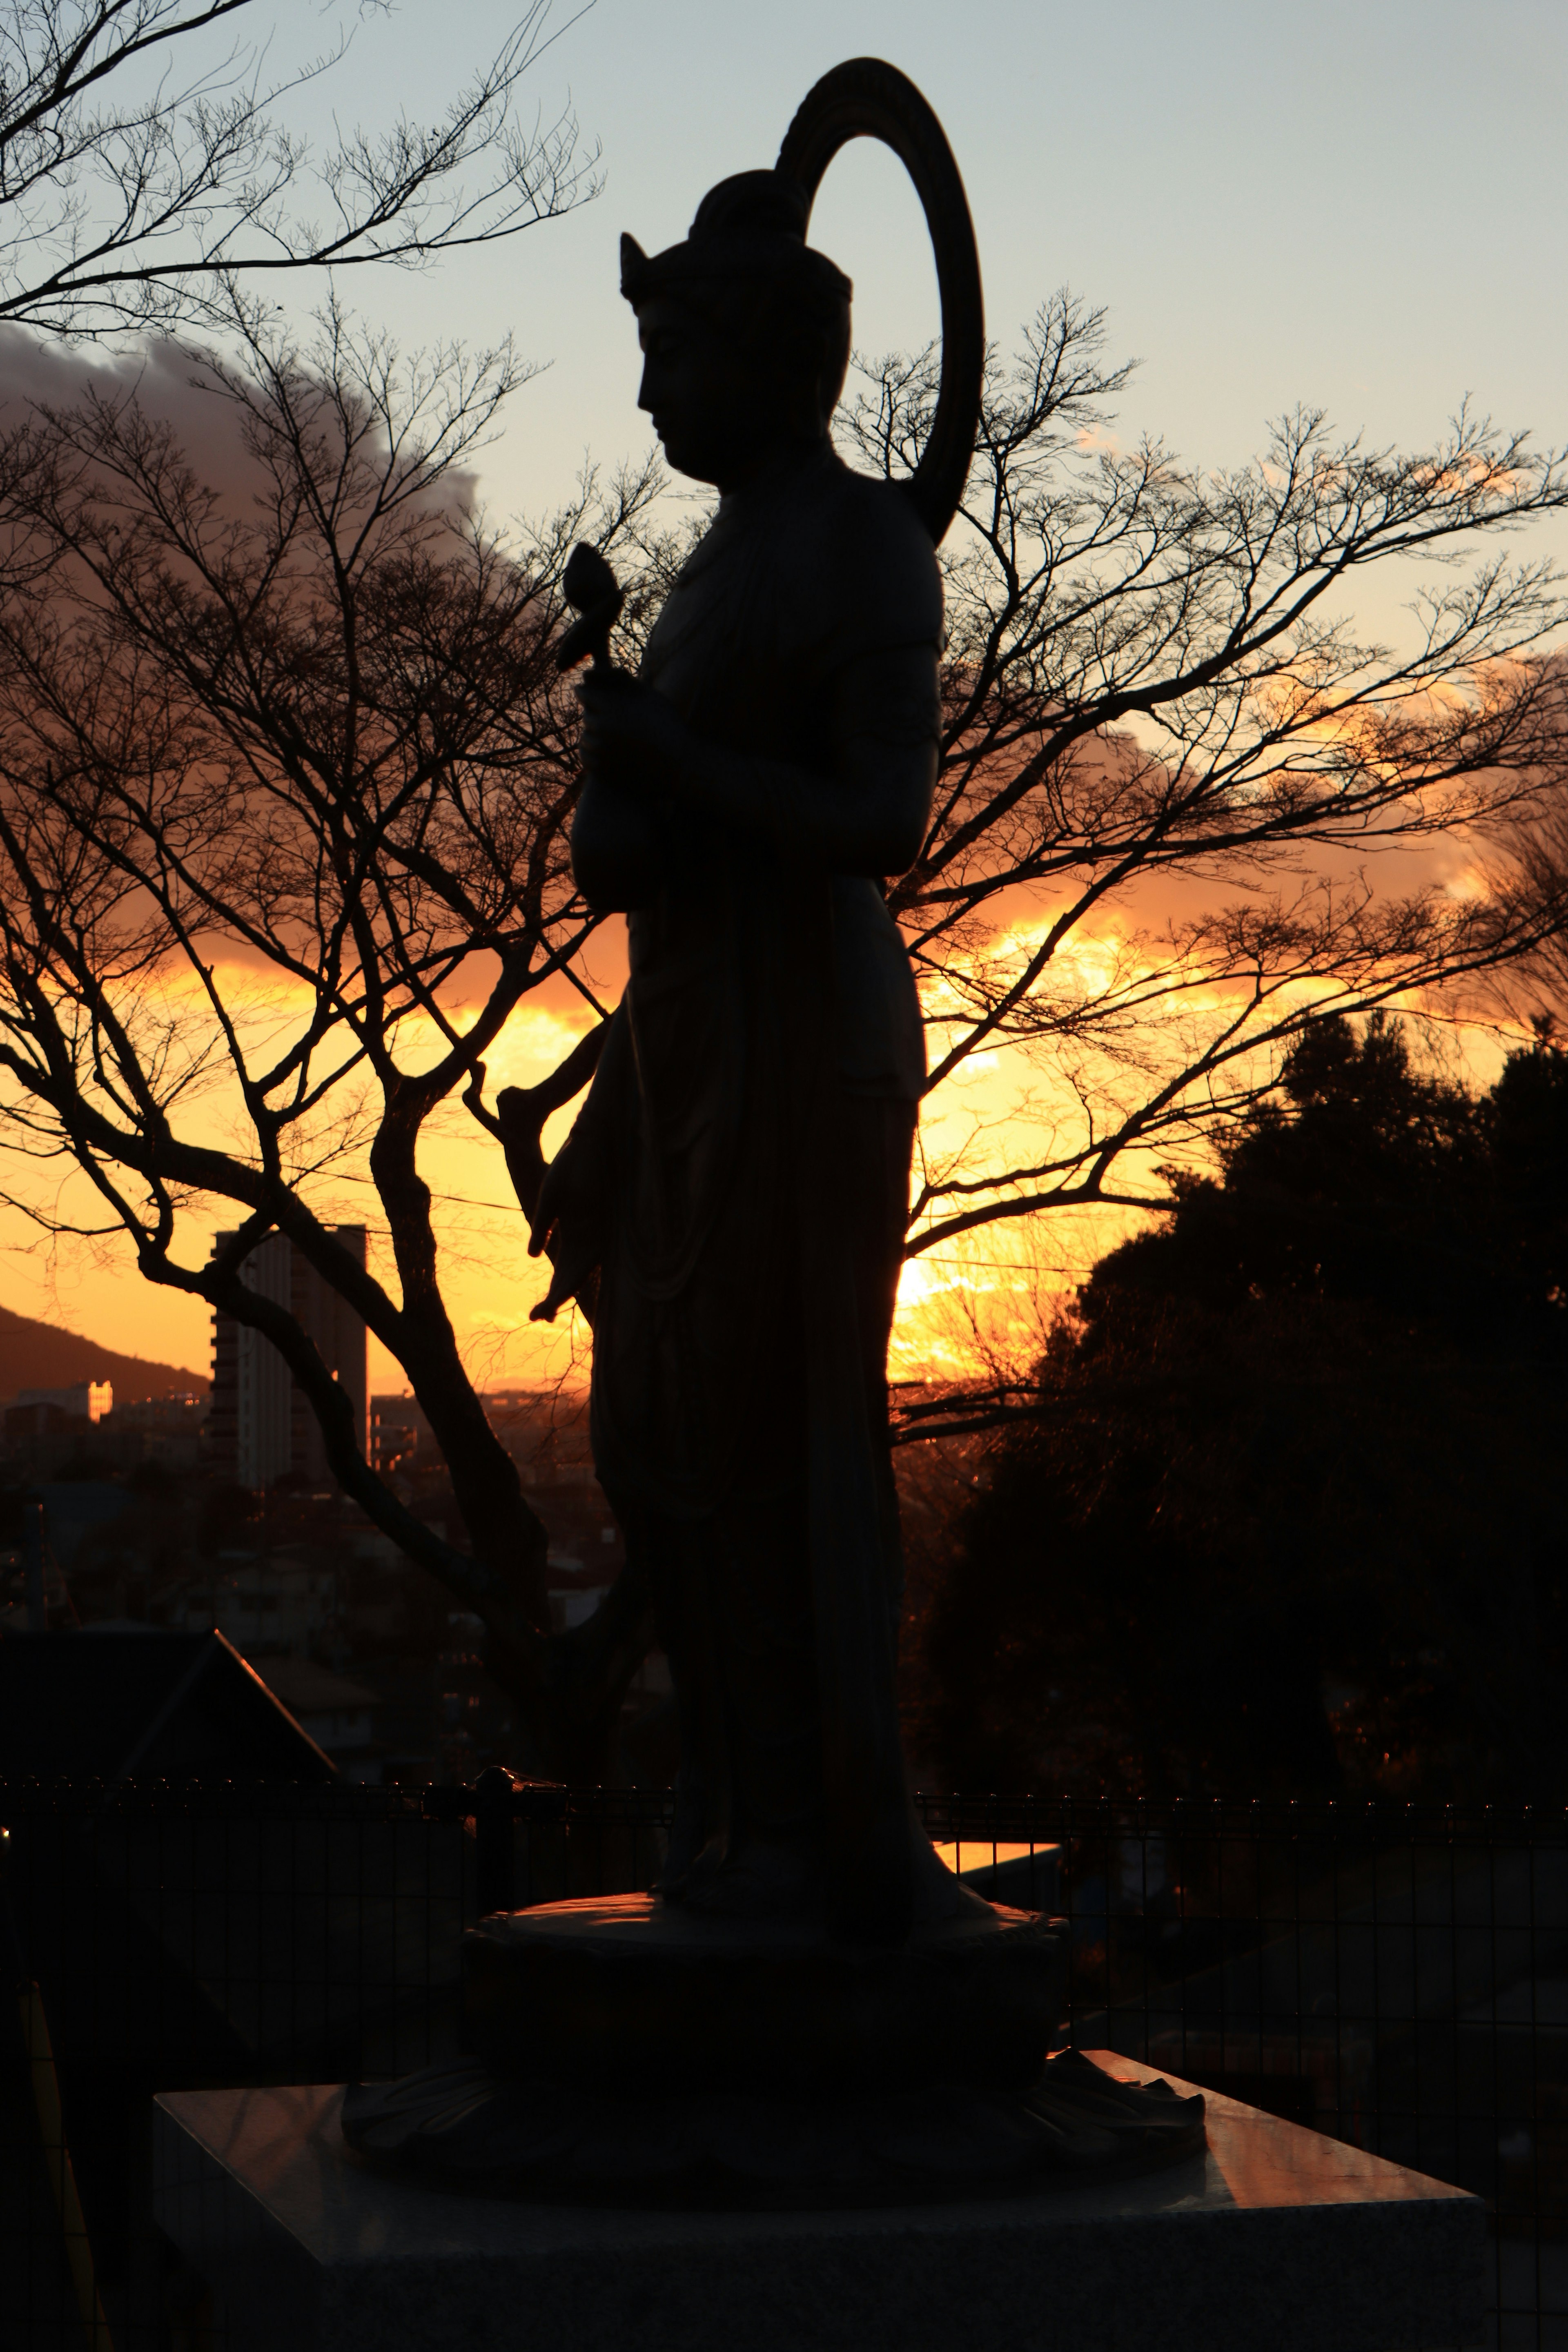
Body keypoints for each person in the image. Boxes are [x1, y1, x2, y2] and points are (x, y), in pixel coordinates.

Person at [530, 169, 973, 1943]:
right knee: (656, 1435)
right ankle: (728, 1812)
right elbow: (626, 856)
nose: (644, 400)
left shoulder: (861, 545)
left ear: (763, 359)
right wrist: (620, 760)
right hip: (687, 1037)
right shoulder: (718, 565)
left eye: (665, 355)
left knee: (786, 1424)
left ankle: (819, 1829)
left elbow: (880, 815)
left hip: (811, 1029)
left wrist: (664, 755)